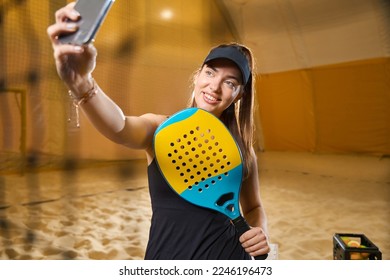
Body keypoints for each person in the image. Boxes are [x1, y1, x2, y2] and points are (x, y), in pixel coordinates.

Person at [47, 2, 270, 260]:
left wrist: (259, 229)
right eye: (210, 72)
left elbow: (253, 206)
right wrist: (82, 83)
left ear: (239, 94)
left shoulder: (242, 148)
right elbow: (119, 126)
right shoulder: (161, 128)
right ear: (198, 75)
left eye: (230, 82)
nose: (215, 87)